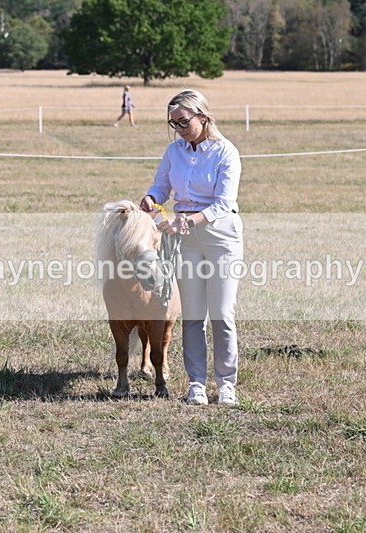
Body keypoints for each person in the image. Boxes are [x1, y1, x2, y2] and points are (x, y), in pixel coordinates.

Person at [139, 89, 243, 406]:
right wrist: (152, 198)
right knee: (193, 316)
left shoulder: (226, 152)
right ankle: (196, 382)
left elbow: (223, 204)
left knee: (222, 314)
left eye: (184, 122)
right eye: (174, 124)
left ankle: (226, 384)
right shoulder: (174, 152)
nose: (179, 129)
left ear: (203, 116)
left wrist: (182, 224)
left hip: (221, 237)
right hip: (186, 241)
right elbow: (162, 185)